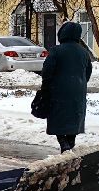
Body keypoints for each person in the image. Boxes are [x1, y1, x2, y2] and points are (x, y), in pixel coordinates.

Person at [38, 21, 92, 152]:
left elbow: (47, 71)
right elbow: (88, 72)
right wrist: (80, 84)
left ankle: (64, 144)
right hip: (78, 91)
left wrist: (46, 86)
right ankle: (70, 143)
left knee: (58, 118)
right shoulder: (84, 52)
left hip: (58, 91)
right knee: (74, 118)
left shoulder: (56, 51)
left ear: (62, 34)